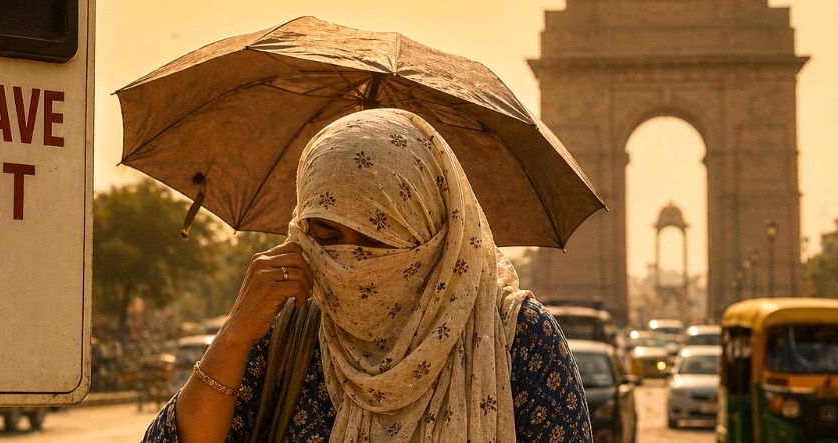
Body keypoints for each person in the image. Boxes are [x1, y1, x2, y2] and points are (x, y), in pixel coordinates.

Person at [143, 108, 592, 442]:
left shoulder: (517, 339)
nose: (347, 261)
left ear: (428, 230)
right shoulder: (287, 332)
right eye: (324, 232)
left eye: (375, 237)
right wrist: (235, 334)